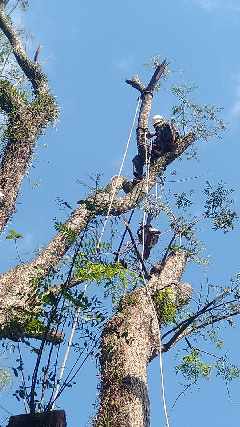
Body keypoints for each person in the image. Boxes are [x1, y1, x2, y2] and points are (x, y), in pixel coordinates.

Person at [132, 115, 179, 179]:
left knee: (142, 147)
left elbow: (166, 136)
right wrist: (151, 134)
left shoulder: (165, 126)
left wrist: (150, 134)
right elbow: (157, 134)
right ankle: (139, 176)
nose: (155, 127)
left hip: (163, 150)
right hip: (156, 153)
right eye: (155, 126)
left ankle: (145, 170)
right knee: (137, 159)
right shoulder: (161, 131)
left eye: (156, 125)